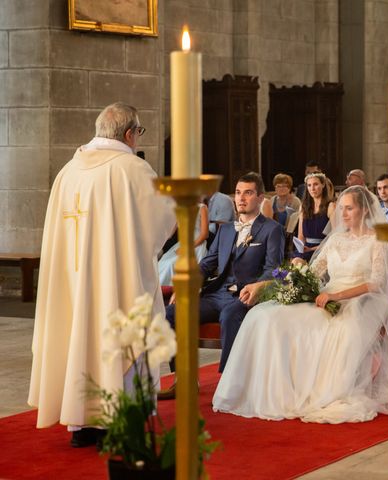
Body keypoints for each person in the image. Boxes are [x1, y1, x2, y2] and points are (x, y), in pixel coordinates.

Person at [212, 186, 388, 422]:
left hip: (364, 298)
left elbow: (376, 283)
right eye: (341, 207)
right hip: (329, 293)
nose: (343, 213)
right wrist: (299, 270)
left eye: (349, 208)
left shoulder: (378, 240)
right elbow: (315, 273)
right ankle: (279, 388)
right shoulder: (335, 240)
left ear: (364, 210)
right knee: (269, 316)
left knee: (340, 328)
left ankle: (330, 388)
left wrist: (337, 297)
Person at [28, 102, 175, 447]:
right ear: (129, 133)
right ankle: (120, 423)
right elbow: (162, 222)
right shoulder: (132, 169)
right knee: (119, 340)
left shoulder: (67, 172)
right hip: (116, 281)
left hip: (73, 283)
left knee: (77, 338)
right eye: (139, 133)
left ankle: (82, 427)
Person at [164, 172, 284, 381]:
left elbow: (272, 268)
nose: (241, 198)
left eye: (248, 193)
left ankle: (229, 380)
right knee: (172, 313)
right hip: (217, 294)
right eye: (238, 193)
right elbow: (208, 263)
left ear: (260, 197)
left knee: (229, 316)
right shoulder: (226, 229)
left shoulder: (272, 229)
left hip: (247, 295)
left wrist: (257, 288)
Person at [158, 200, 209, 286]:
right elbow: (170, 234)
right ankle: (156, 291)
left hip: (196, 245)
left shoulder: (202, 208)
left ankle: (168, 290)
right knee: (161, 262)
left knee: (170, 265)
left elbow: (204, 234)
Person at [295, 172, 335, 262]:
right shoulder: (303, 206)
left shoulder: (330, 206)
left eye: (315, 184)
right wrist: (300, 249)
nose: (312, 188)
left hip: (324, 248)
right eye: (309, 185)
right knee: (296, 262)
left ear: (323, 184)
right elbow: (301, 235)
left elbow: (335, 236)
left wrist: (313, 249)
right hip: (306, 248)